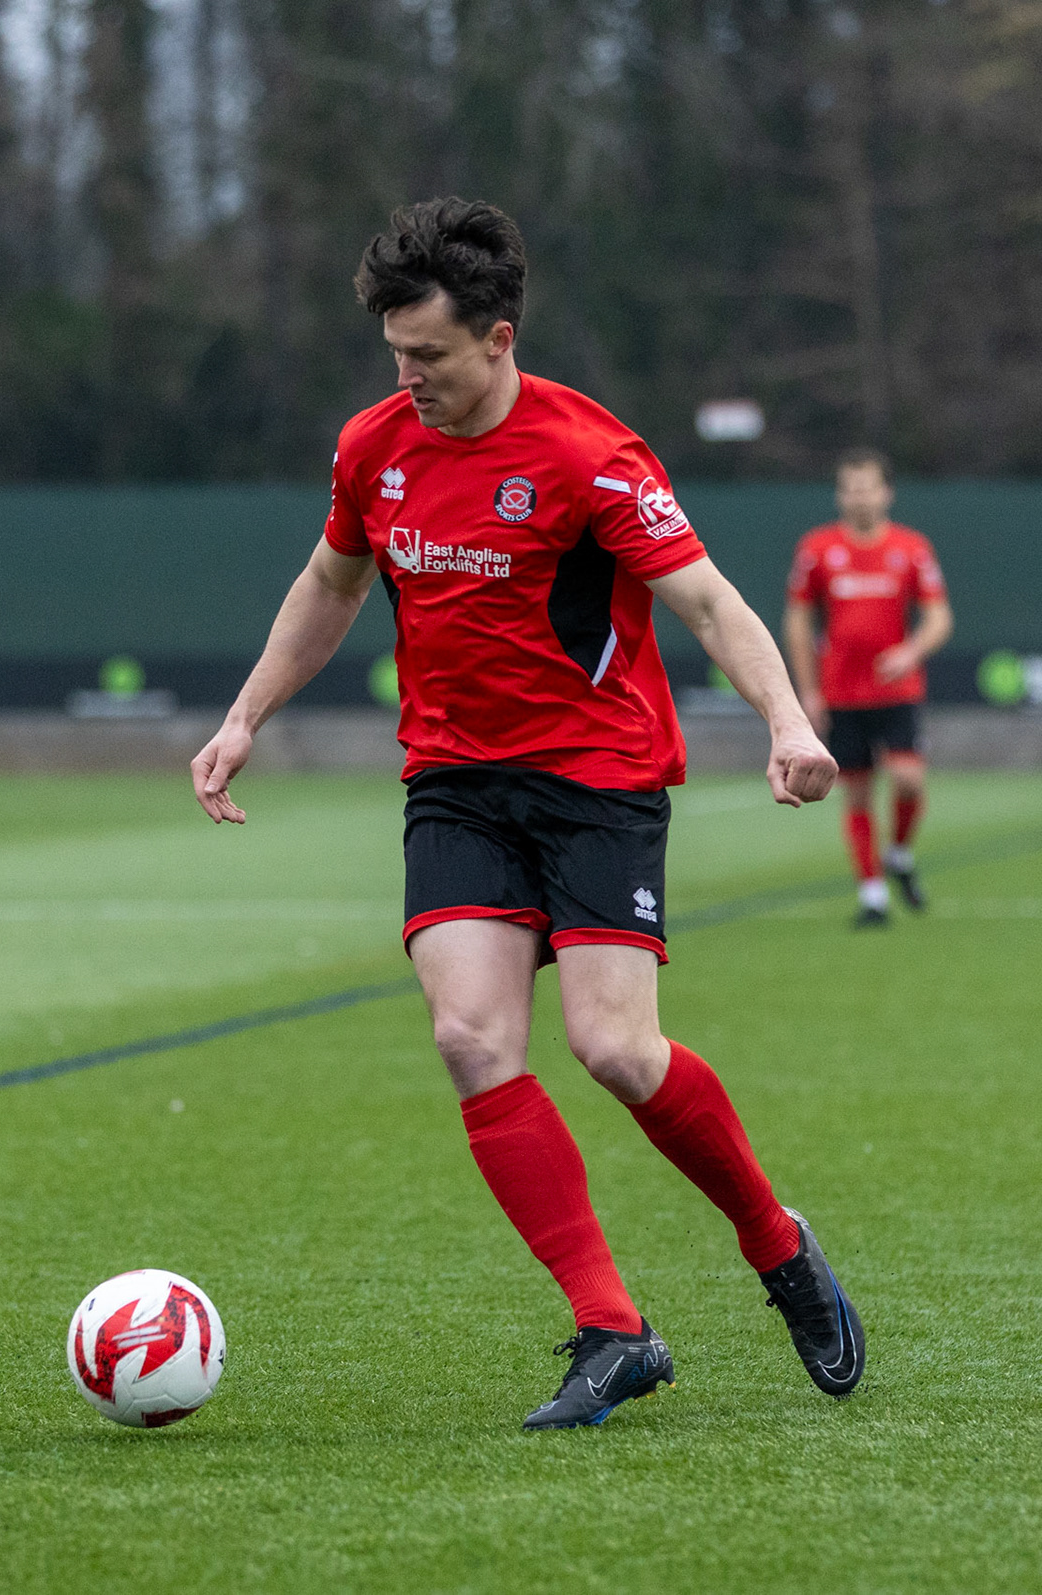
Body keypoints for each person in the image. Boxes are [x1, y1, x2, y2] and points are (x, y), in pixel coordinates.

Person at [191, 199, 865, 1429]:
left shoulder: (591, 454)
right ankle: (614, 1328)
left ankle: (776, 1242)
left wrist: (788, 722)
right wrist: (246, 717)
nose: (409, 378)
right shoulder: (374, 447)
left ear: (498, 338)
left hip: (597, 776)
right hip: (455, 779)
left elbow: (709, 603)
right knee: (469, 1036)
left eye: (431, 355)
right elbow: (330, 583)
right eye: (396, 354)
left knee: (616, 1048)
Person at [783, 450, 951, 926]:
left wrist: (911, 652)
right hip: (841, 693)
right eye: (850, 488)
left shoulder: (911, 547)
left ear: (886, 493)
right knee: (856, 792)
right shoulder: (817, 548)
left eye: (868, 487)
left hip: (897, 692)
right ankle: (873, 894)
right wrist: (808, 690)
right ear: (840, 494)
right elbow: (798, 621)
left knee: (908, 779)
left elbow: (939, 616)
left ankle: (898, 852)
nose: (859, 497)